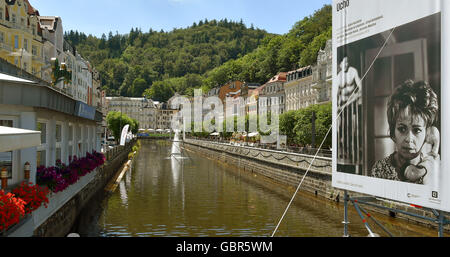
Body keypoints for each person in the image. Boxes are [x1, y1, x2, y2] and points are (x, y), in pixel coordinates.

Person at [371, 80, 440, 185]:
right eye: (402, 129)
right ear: (393, 132)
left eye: (417, 130)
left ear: (427, 133)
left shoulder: (434, 169)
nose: (409, 139)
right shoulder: (379, 170)